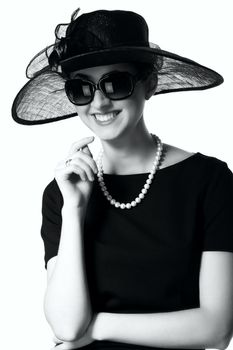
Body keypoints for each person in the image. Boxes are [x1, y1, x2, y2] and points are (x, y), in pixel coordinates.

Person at [12, 7, 233, 350]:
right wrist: (74, 209)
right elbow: (67, 327)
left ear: (150, 84)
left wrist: (98, 326)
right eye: (81, 88)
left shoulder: (210, 181)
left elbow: (216, 330)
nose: (99, 102)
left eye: (116, 83)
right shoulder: (62, 194)